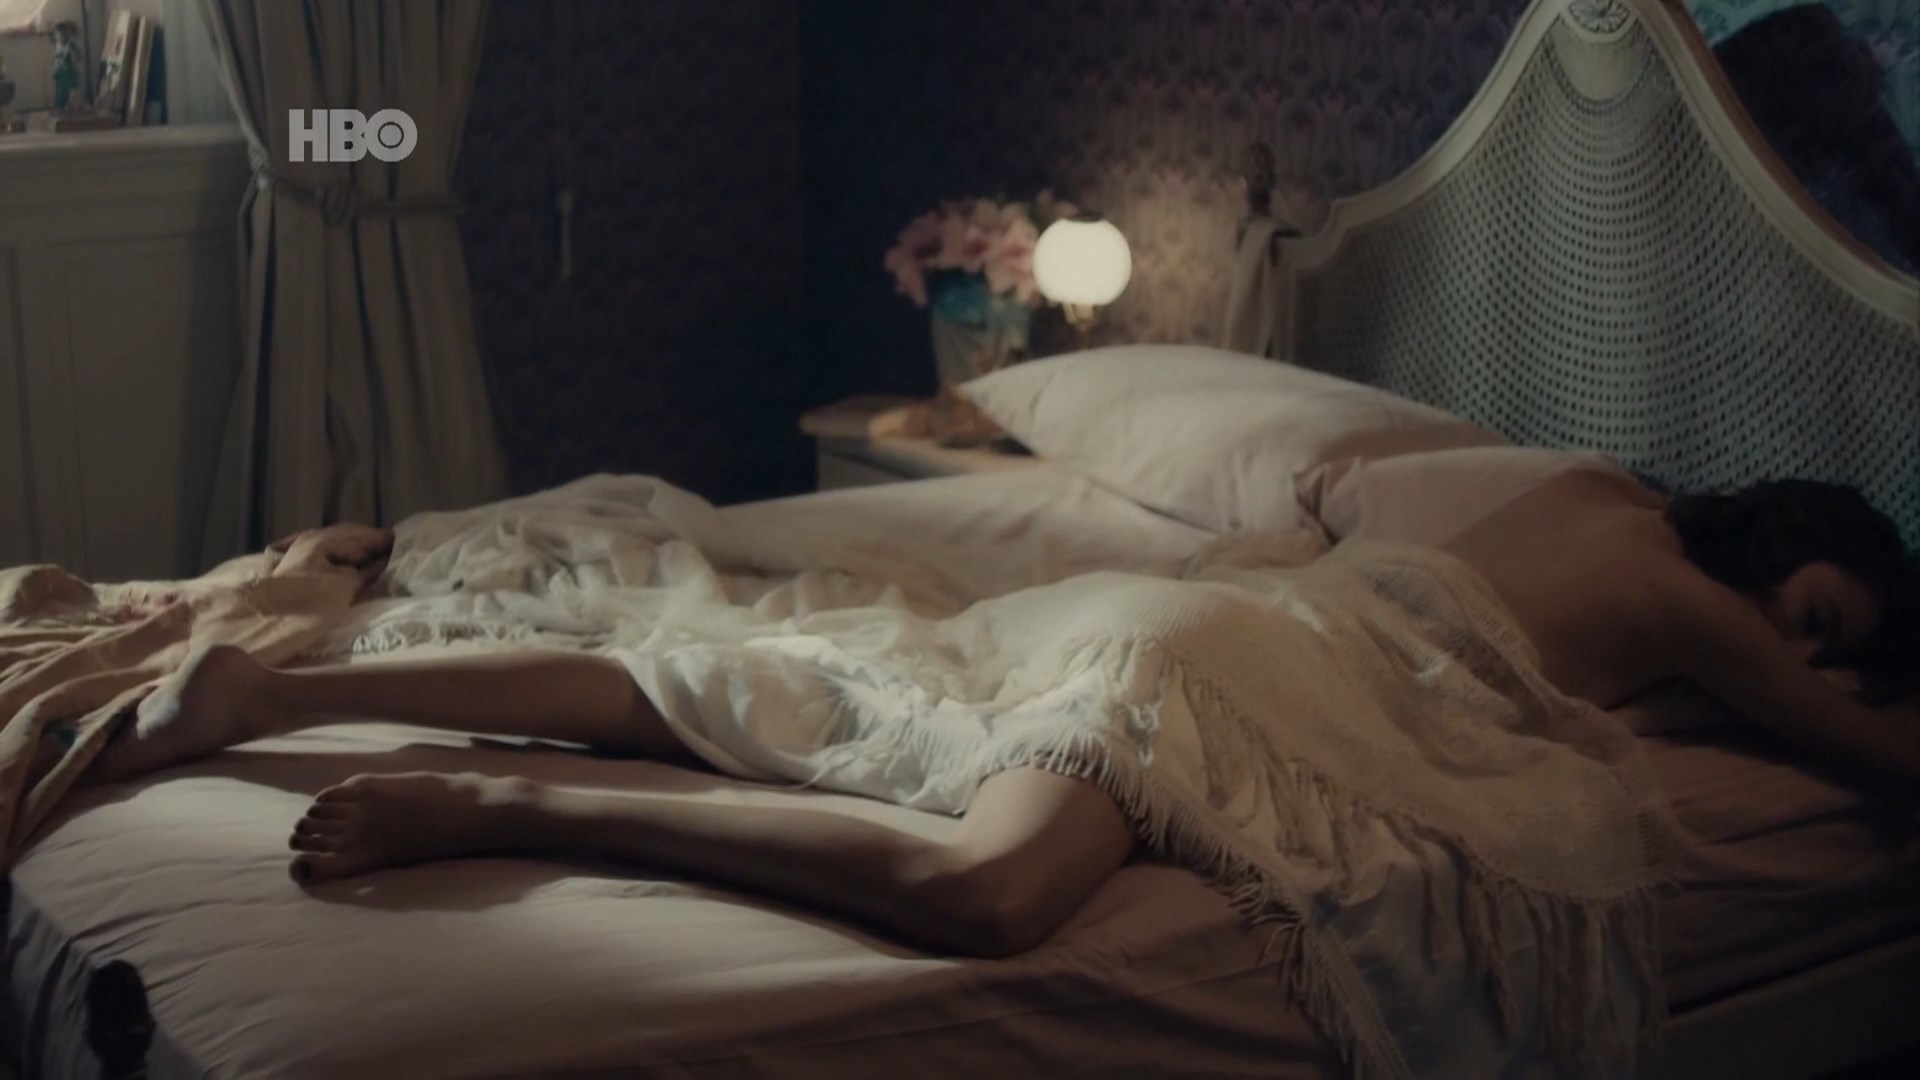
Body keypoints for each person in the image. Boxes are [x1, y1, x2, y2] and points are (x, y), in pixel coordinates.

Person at [89, 471, 1917, 958]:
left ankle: (278, 687)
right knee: (990, 892)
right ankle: (510, 805)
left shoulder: (1584, 496)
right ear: (1786, 555)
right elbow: (1881, 759)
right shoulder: (1689, 605)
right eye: (1818, 619)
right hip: (1220, 669)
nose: (1803, 657)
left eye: (1832, 647)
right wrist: (1855, 692)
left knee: (766, 688)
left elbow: (1360, 512)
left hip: (1198, 616)